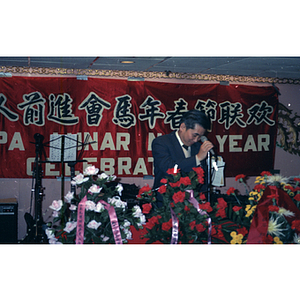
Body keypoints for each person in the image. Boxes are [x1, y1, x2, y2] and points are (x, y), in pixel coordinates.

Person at [152, 109, 214, 206]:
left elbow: (203, 179)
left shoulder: (198, 147)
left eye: (200, 137)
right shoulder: (161, 143)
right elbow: (168, 168)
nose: (196, 140)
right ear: (182, 127)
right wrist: (197, 158)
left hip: (192, 205)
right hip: (166, 204)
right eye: (195, 135)